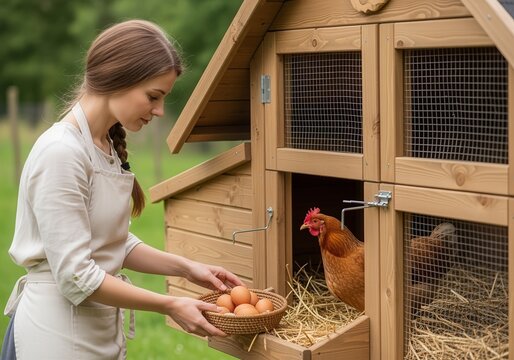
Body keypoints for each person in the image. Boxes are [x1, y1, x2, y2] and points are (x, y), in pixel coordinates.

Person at [1, 19, 244, 359]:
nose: (159, 111)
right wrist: (169, 304)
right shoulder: (61, 152)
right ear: (117, 78)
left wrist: (188, 269)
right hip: (56, 334)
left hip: (97, 327)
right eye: (153, 96)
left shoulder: (104, 147)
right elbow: (75, 275)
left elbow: (112, 242)